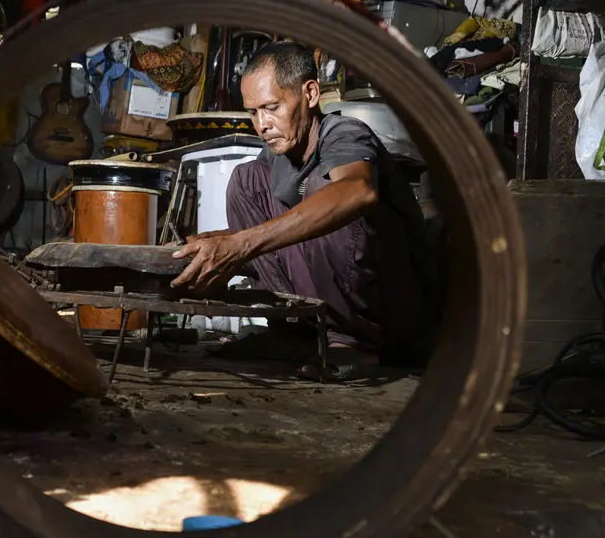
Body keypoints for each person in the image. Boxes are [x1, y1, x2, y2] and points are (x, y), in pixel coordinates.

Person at [170, 41, 434, 367]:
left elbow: (357, 191)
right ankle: (292, 328)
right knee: (247, 179)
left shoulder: (344, 134)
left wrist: (240, 244)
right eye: (253, 112)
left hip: (391, 308)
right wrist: (215, 242)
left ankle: (353, 343)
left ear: (310, 94)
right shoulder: (277, 151)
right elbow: (264, 231)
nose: (262, 124)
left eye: (272, 107)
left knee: (328, 191)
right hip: (329, 305)